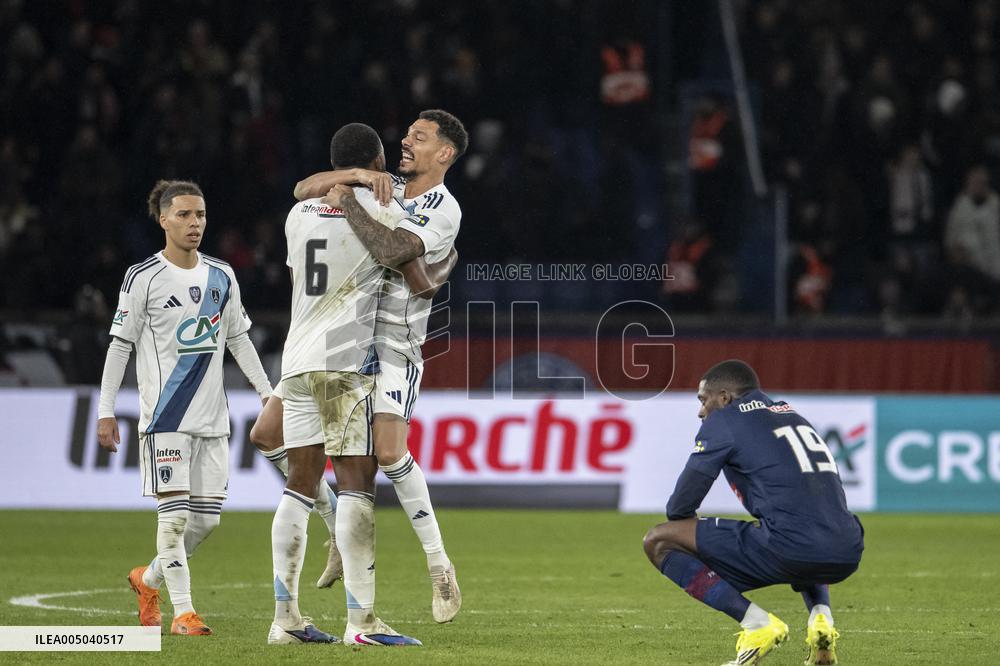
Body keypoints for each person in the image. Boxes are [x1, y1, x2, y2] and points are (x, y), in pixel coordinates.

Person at [295, 108, 468, 623]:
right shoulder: (382, 184)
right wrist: (354, 176)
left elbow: (395, 250)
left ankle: (439, 567)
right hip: (342, 340)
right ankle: (335, 534)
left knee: (390, 454)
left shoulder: (445, 208)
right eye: (408, 134)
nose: (406, 142)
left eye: (420, 138)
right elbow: (304, 186)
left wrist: (348, 200)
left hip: (395, 343)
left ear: (445, 153)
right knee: (272, 435)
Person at [268, 122, 432, 646]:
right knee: (358, 486)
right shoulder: (384, 209)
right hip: (344, 363)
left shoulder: (298, 214)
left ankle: (285, 620)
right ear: (378, 161)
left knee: (299, 483)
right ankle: (361, 623)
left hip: (295, 362)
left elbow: (303, 198)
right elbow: (408, 264)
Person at [97, 180, 272, 636]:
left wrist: (267, 392)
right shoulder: (143, 277)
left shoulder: (222, 275)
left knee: (206, 522)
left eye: (201, 215)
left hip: (213, 419)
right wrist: (105, 409)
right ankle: (184, 614)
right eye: (185, 216)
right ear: (163, 220)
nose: (195, 224)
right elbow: (120, 347)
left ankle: (147, 580)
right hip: (165, 418)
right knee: (173, 518)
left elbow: (237, 338)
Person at [642, 360, 864, 666]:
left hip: (793, 546)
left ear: (724, 398)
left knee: (658, 540)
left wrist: (702, 543)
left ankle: (756, 625)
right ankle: (821, 621)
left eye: (703, 400)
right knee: (801, 527)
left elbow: (678, 507)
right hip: (848, 546)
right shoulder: (792, 414)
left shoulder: (725, 422)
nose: (700, 411)